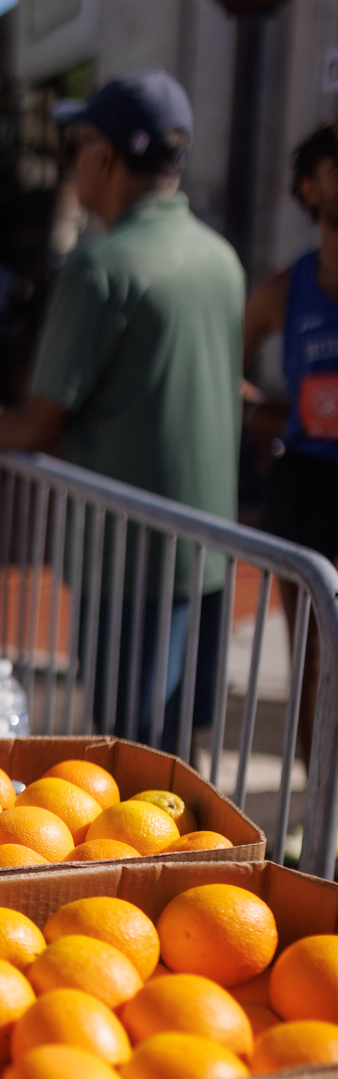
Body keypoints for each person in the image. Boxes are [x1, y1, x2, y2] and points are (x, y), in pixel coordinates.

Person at [0, 69, 244, 746]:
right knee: (179, 761)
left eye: (77, 146)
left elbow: (37, 424)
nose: (72, 163)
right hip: (209, 554)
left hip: (126, 563)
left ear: (105, 156)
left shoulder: (102, 267)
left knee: (131, 761)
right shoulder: (220, 258)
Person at [244, 122, 338, 765]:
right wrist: (268, 414)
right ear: (310, 187)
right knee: (308, 655)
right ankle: (317, 796)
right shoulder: (285, 290)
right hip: (306, 482)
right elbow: (224, 366)